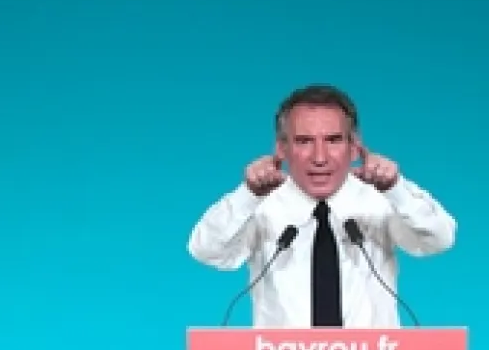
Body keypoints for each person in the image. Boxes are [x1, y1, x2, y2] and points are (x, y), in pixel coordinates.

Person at [187, 84, 457, 328]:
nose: (319, 157)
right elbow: (206, 250)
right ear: (281, 148)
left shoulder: (380, 199)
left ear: (354, 147)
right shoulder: (261, 205)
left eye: (333, 140)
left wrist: (396, 189)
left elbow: (439, 239)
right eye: (304, 141)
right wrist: (247, 195)